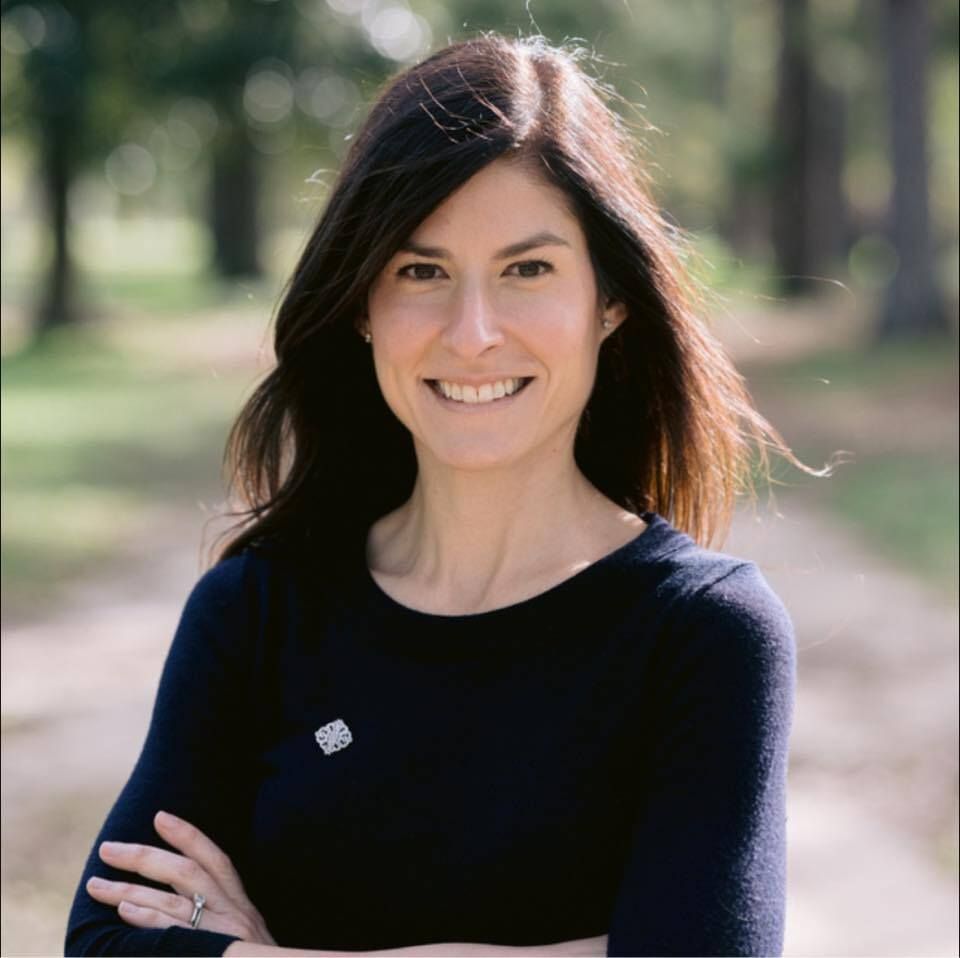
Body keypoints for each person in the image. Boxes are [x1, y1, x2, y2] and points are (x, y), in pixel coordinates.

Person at [65, 32, 804, 958]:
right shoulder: (256, 612)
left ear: (610, 302)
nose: (474, 333)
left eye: (527, 270)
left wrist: (260, 953)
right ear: (363, 307)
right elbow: (103, 939)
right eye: (422, 272)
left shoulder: (701, 633)